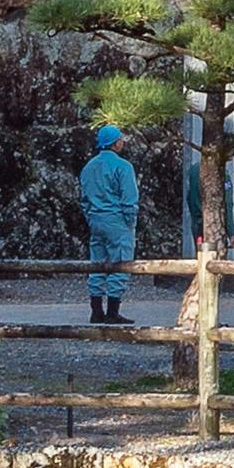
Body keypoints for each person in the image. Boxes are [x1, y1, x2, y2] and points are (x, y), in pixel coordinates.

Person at [84, 118, 146, 332]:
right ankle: (112, 311)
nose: (123, 142)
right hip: (117, 220)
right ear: (115, 143)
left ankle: (95, 310)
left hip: (95, 219)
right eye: (120, 139)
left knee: (97, 263)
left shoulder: (89, 167)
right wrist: (130, 221)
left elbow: (84, 198)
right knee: (120, 263)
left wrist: (91, 216)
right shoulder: (123, 166)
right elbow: (129, 198)